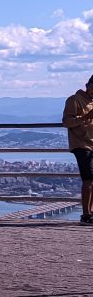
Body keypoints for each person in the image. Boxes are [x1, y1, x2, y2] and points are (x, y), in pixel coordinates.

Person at [61, 75, 93, 225]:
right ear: (88, 85)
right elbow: (67, 122)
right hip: (81, 145)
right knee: (88, 179)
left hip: (92, 143)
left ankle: (90, 211)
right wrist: (86, 117)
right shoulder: (74, 99)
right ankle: (86, 214)